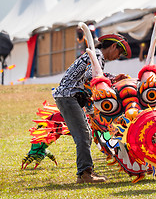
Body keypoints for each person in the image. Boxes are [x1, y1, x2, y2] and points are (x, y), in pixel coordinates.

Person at [52, 33, 131, 183]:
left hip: (68, 96)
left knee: (85, 134)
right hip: (69, 97)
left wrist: (113, 78)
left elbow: (95, 75)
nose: (118, 56)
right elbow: (91, 77)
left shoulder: (96, 55)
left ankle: (85, 172)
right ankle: (85, 173)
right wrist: (111, 80)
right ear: (113, 46)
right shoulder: (97, 55)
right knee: (83, 135)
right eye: (119, 52)